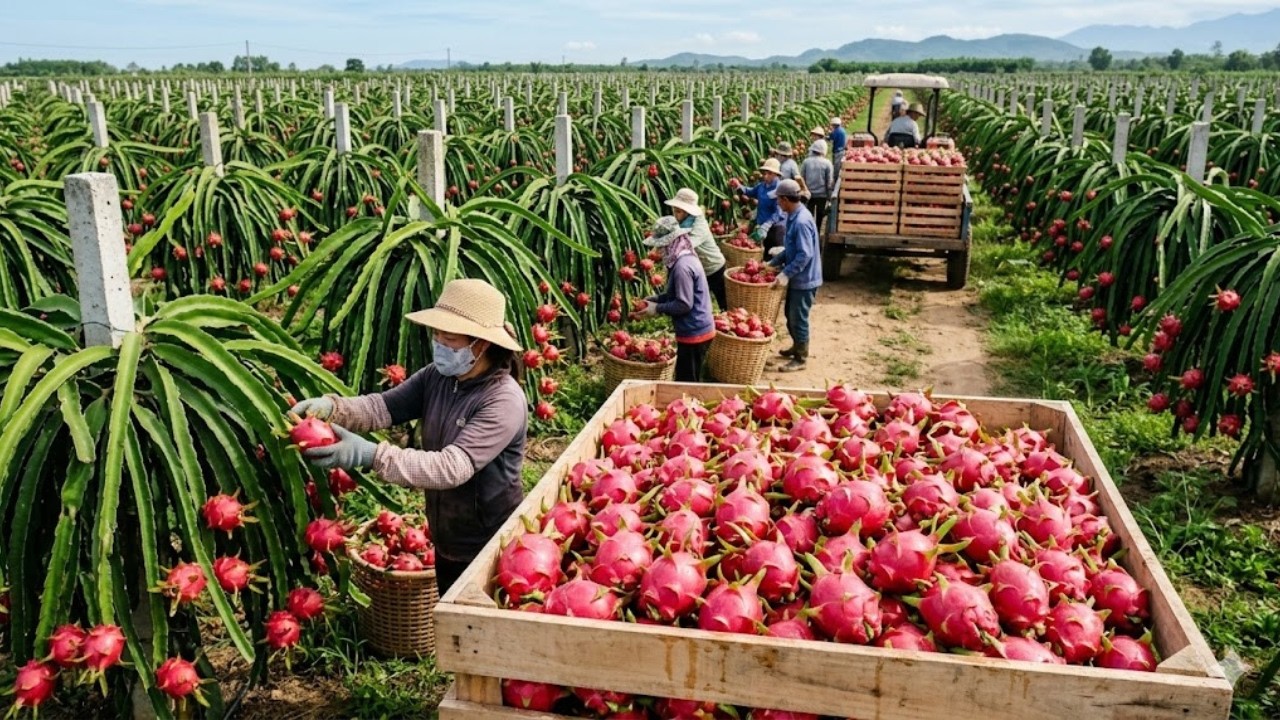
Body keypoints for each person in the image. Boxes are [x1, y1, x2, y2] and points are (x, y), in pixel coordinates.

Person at [290, 278, 528, 594]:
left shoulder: (503, 401)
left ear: (481, 344)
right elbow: (382, 407)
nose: (439, 342)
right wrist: (333, 408)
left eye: (450, 337)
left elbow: (452, 467)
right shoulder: (439, 377)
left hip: (489, 543)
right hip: (446, 534)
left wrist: (370, 455)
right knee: (450, 621)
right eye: (436, 333)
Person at [635, 216, 715, 382]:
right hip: (697, 328)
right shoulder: (686, 257)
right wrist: (657, 299)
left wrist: (656, 309)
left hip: (694, 332)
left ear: (671, 242)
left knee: (687, 383)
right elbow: (680, 294)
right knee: (688, 378)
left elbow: (683, 304)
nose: (659, 251)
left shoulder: (681, 268)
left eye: (662, 246)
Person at [766, 179, 822, 372]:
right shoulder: (793, 215)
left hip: (805, 279)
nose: (777, 204)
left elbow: (804, 254)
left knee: (798, 318)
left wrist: (785, 274)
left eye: (778, 200)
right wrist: (772, 263)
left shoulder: (801, 221)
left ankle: (801, 358)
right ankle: (796, 346)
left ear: (785, 199)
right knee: (790, 314)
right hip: (798, 277)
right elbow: (791, 249)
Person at [665, 187, 727, 310]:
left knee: (723, 302)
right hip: (698, 269)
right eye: (674, 210)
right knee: (695, 300)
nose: (675, 214)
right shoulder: (681, 221)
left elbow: (685, 246)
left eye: (678, 211)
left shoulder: (700, 226)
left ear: (688, 212)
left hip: (714, 267)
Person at [735, 157, 786, 255]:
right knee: (764, 254)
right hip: (762, 227)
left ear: (776, 174)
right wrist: (739, 186)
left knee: (775, 255)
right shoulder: (762, 186)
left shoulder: (779, 189)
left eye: (769, 173)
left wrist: (766, 225)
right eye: (764, 173)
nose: (766, 176)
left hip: (775, 228)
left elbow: (778, 212)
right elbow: (750, 192)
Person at [800, 139, 834, 235]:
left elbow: (801, 177)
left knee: (808, 216)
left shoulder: (806, 162)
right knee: (819, 217)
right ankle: (817, 234)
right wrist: (829, 196)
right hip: (821, 195)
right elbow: (829, 182)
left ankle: (808, 234)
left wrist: (803, 191)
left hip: (808, 194)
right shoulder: (827, 163)